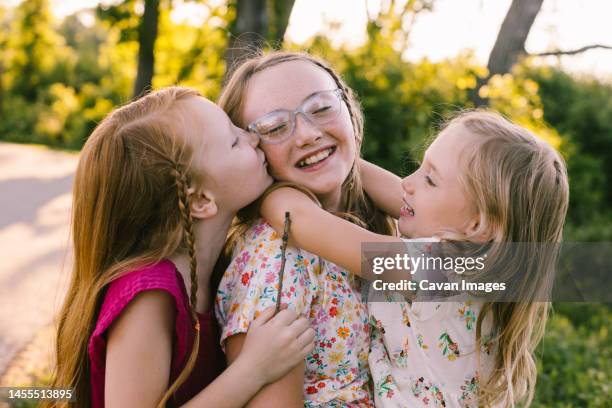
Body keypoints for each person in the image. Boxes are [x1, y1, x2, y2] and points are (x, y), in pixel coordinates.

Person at [261, 110, 569, 407]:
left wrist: (270, 178)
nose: (407, 182)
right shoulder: (483, 267)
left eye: (430, 179)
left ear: (477, 225)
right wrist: (329, 157)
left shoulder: (438, 269)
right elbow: (401, 195)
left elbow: (297, 220)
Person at [47, 87, 315, 408]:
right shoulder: (149, 295)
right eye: (234, 141)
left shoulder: (224, 265)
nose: (253, 137)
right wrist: (252, 370)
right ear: (201, 200)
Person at [214, 51, 396, 407]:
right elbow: (414, 268)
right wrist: (509, 271)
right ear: (253, 151)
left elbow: (421, 209)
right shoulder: (277, 257)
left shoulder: (357, 211)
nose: (309, 134)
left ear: (348, 107)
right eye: (275, 127)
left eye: (322, 107)